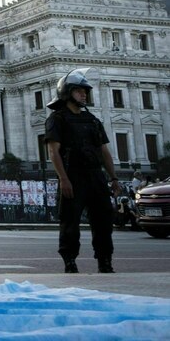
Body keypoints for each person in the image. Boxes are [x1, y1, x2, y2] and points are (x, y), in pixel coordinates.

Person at [45, 67, 121, 274]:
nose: (84, 94)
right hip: (73, 174)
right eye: (79, 91)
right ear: (67, 93)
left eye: (85, 91)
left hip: (96, 175)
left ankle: (105, 260)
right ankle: (70, 260)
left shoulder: (93, 120)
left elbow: (104, 151)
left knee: (104, 220)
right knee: (70, 221)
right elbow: (54, 152)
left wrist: (113, 177)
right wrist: (63, 179)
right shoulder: (57, 119)